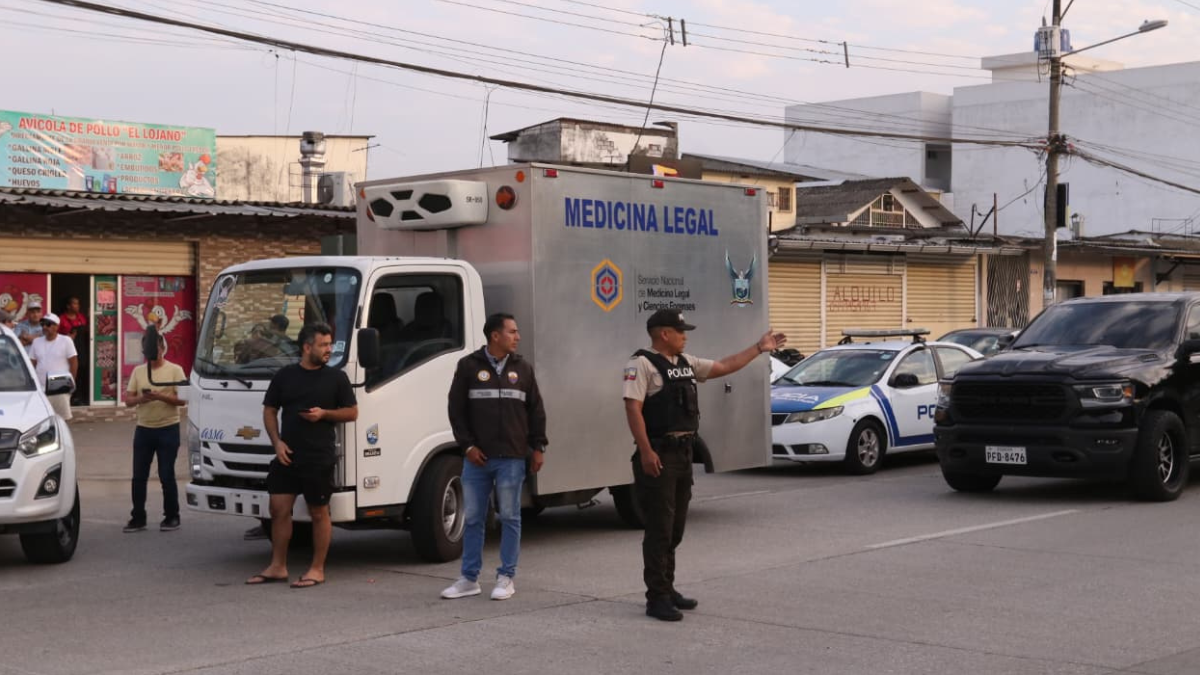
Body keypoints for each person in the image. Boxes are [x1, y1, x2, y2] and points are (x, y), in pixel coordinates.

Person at [623, 309, 785, 621]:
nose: (685, 336)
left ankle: (667, 588)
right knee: (659, 528)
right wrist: (645, 451)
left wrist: (758, 348)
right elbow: (633, 408)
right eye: (681, 331)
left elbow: (724, 366)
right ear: (664, 334)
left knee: (675, 527)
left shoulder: (685, 364)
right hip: (660, 453)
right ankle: (656, 597)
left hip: (683, 453)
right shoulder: (641, 364)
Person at [442, 313, 547, 601]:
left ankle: (506, 577)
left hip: (512, 458)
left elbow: (536, 410)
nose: (518, 336)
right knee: (474, 518)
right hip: (477, 459)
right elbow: (456, 411)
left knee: (511, 516)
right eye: (512, 331)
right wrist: (467, 447)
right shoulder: (468, 367)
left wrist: (538, 447)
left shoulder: (523, 368)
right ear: (495, 336)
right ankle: (469, 578)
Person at [247, 323, 357, 589]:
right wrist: (277, 443)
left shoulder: (336, 378)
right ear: (307, 347)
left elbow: (352, 412)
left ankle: (317, 569)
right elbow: (270, 410)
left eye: (330, 344)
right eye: (323, 345)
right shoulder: (285, 376)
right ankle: (278, 566)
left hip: (318, 456)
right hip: (288, 455)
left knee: (319, 512)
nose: (329, 349)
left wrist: (324, 414)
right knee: (278, 509)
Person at [122, 333, 187, 533]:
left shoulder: (176, 370)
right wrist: (143, 399)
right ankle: (138, 517)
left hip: (168, 428)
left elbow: (182, 399)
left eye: (155, 349)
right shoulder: (139, 371)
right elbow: (128, 400)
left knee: (166, 474)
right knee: (138, 476)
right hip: (144, 429)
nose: (151, 353)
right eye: (147, 350)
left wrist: (160, 396)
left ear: (162, 348)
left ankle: (172, 516)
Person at [29, 312, 78, 421]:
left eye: (48, 324)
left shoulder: (66, 341)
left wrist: (71, 383)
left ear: (56, 326)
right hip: (41, 388)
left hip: (60, 387)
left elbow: (74, 362)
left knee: (61, 420)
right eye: (43, 325)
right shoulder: (37, 342)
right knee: (41, 419)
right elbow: (31, 363)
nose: (45, 327)